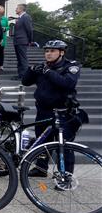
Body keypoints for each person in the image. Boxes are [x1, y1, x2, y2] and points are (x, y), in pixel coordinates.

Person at [22, 40, 81, 179]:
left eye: (52, 51)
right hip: (44, 111)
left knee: (65, 145)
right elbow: (25, 82)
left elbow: (67, 83)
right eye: (47, 51)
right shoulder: (42, 67)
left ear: (61, 52)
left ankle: (65, 175)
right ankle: (40, 168)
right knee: (43, 142)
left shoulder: (71, 66)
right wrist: (31, 71)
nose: (48, 54)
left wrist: (48, 72)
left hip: (64, 113)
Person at [13, 3, 34, 80]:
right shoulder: (20, 18)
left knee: (22, 59)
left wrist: (30, 40)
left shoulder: (26, 17)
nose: (15, 9)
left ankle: (24, 76)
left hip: (22, 41)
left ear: (21, 9)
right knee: (19, 59)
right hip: (17, 41)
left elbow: (29, 29)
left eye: (17, 8)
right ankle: (20, 74)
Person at [0, 5, 10, 71]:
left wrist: (5, 28)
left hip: (3, 37)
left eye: (0, 9)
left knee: (1, 52)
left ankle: (1, 66)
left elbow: (8, 27)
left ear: (3, 10)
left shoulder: (5, 19)